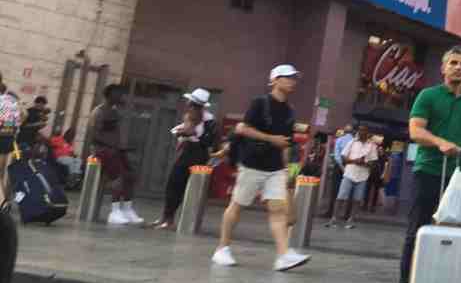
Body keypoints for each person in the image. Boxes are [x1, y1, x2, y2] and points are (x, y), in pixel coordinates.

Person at [392, 46, 461, 283]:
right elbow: (415, 131)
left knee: (458, 231)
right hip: (428, 171)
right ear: (443, 68)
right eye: (453, 63)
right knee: (418, 230)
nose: (458, 67)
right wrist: (440, 142)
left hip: (458, 177)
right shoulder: (428, 95)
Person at [212, 65, 310, 272]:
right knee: (237, 205)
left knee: (277, 209)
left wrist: (286, 171)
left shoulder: (289, 111)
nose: (292, 81)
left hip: (274, 167)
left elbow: (285, 143)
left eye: (294, 78)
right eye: (288, 77)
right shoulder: (260, 103)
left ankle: (283, 255)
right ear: (274, 80)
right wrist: (270, 138)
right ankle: (222, 248)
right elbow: (243, 128)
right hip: (252, 163)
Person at [153, 88, 219, 230]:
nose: (188, 105)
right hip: (186, 151)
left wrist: (194, 133)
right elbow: (182, 132)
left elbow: (211, 141)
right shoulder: (189, 116)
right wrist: (183, 134)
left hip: (199, 154)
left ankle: (186, 221)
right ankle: (166, 218)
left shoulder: (209, 121)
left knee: (192, 188)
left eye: (191, 103)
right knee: (173, 184)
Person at [90, 84, 144, 226]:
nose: (121, 96)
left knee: (130, 175)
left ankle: (127, 209)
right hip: (103, 150)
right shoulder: (99, 112)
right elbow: (95, 136)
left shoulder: (114, 111)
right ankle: (114, 212)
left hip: (115, 149)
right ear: (110, 94)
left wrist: (121, 147)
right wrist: (112, 146)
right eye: (118, 93)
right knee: (118, 178)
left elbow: (113, 134)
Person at [328, 124, 379, 229]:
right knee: (340, 197)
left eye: (363, 130)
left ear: (367, 133)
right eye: (359, 130)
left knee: (357, 199)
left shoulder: (372, 146)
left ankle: (351, 220)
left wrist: (364, 162)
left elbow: (374, 163)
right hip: (349, 174)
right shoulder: (352, 142)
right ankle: (334, 219)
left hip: (363, 176)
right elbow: (343, 158)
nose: (361, 132)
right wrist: (355, 161)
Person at [321, 127, 353, 218]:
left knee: (335, 189)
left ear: (344, 131)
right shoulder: (354, 141)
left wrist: (342, 168)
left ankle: (331, 212)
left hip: (339, 167)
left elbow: (337, 157)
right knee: (349, 190)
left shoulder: (339, 140)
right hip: (350, 166)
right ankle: (347, 214)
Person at [0, 85, 21, 205]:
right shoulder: (12, 102)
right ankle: (5, 200)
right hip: (9, 139)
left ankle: (3, 203)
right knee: (3, 173)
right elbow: (22, 117)